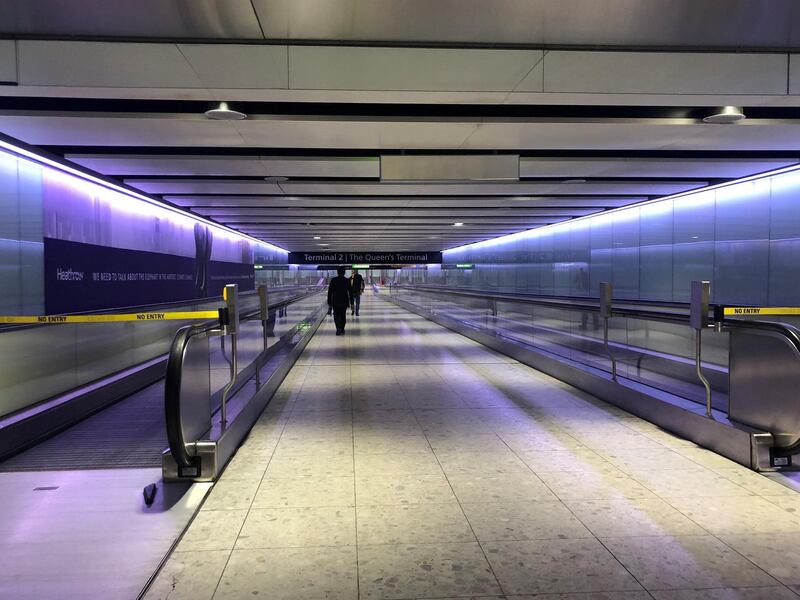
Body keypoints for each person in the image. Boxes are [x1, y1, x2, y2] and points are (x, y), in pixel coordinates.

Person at [327, 266, 353, 335]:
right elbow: (350, 292)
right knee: (343, 315)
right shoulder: (347, 280)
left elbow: (330, 292)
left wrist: (329, 302)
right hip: (344, 301)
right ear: (344, 272)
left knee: (336, 315)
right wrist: (352, 303)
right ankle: (342, 328)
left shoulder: (333, 280)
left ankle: (338, 328)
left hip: (335, 301)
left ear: (337, 272)